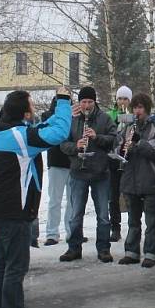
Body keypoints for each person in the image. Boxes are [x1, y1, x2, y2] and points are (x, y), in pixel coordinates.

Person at [0, 87, 71, 308]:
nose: (33, 108)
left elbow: (42, 127)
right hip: (13, 212)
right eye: (31, 105)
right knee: (15, 267)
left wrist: (57, 110)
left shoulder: (3, 132)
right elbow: (57, 133)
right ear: (24, 111)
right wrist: (64, 101)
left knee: (0, 262)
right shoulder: (21, 137)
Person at [59, 86, 118, 263]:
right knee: (76, 214)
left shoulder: (104, 118)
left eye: (89, 102)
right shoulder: (73, 119)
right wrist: (75, 146)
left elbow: (114, 139)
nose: (86, 105)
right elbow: (63, 143)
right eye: (83, 102)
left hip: (100, 173)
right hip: (78, 172)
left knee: (103, 215)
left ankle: (104, 249)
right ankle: (74, 247)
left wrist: (96, 137)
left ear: (95, 102)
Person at [115, 92, 155, 268]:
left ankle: (151, 253)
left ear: (147, 109)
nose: (137, 111)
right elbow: (117, 147)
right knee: (133, 220)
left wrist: (139, 143)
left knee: (151, 220)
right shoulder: (128, 127)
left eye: (140, 108)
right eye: (135, 107)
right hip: (131, 179)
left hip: (151, 178)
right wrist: (123, 148)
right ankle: (131, 252)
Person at [41, 96, 73, 246]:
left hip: (72, 161)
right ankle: (52, 233)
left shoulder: (75, 115)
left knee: (72, 201)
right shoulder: (48, 116)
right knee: (55, 200)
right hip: (55, 161)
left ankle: (72, 231)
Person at [107, 85, 133, 242]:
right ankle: (115, 228)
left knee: (129, 195)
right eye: (120, 98)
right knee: (113, 196)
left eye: (125, 99)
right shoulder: (110, 115)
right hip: (113, 159)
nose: (122, 101)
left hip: (128, 158)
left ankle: (132, 225)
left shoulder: (133, 115)